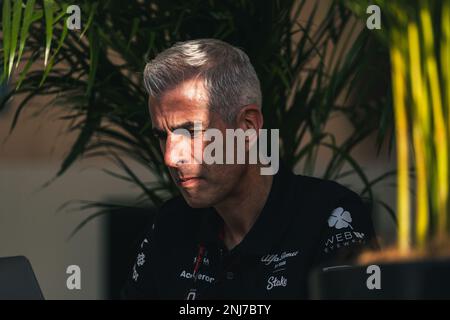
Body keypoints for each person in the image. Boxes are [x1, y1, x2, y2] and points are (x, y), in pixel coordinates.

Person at [121, 39, 377, 299]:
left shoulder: (331, 217)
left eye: (192, 131)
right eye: (162, 136)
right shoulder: (171, 225)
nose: (171, 157)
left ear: (247, 126)